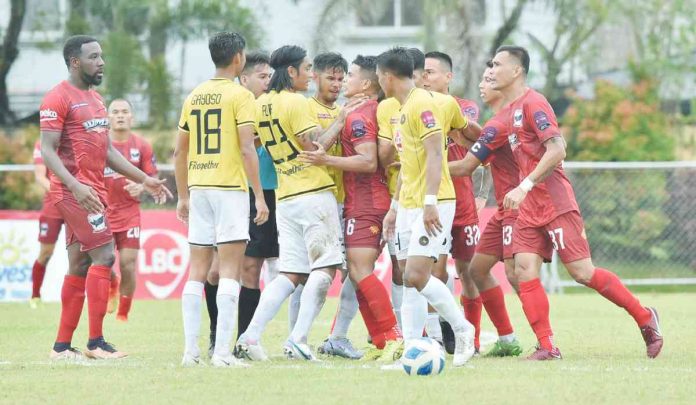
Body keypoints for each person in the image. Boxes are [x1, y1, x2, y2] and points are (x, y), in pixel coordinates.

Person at [476, 45, 663, 360]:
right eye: (490, 65)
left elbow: (557, 149)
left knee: (582, 272)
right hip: (529, 208)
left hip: (555, 202)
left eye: (497, 64)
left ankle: (645, 317)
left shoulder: (535, 103)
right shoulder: (507, 114)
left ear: (517, 70)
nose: (491, 70)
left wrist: (523, 185)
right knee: (523, 270)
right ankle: (547, 346)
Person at [41, 35, 170, 360]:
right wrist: (75, 186)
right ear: (75, 62)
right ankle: (96, 343)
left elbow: (107, 150)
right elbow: (47, 150)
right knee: (105, 257)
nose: (101, 62)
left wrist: (145, 179)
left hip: (90, 191)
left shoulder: (97, 100)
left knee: (80, 263)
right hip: (74, 193)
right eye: (94, 57)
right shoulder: (57, 98)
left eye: (101, 56)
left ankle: (61, 347)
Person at [235, 45, 363, 361]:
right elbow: (315, 146)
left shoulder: (261, 103)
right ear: (290, 72)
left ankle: (250, 335)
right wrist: (343, 117)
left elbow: (255, 143)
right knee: (327, 267)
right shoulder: (297, 102)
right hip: (313, 194)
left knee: (290, 273)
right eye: (306, 69)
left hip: (286, 195)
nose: (309, 75)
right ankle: (299, 337)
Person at [175, 31, 269, 367]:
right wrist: (259, 196)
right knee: (230, 270)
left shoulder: (195, 95)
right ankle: (223, 353)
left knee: (196, 271)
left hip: (199, 187)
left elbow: (179, 151)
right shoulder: (240, 96)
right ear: (238, 58)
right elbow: (247, 148)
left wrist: (183, 196)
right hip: (229, 189)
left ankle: (190, 352)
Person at [377, 47, 475, 367]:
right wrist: (394, 207)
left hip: (433, 203)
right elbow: (409, 165)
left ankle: (462, 329)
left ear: (388, 77)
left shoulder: (422, 105)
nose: (378, 81)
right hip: (408, 204)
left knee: (419, 274)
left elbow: (436, 155)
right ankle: (410, 349)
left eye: (379, 76)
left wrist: (430, 202)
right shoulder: (401, 108)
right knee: (408, 277)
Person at [300, 55, 402, 361]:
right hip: (368, 201)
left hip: (367, 203)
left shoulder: (360, 115)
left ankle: (393, 336)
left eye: (351, 76)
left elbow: (368, 161)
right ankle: (383, 341)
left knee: (360, 270)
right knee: (359, 273)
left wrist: (326, 160)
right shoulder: (364, 111)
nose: (345, 81)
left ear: (366, 84)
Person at [203, 51, 279, 359]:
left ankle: (244, 340)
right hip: (231, 191)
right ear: (243, 77)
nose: (268, 82)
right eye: (262, 77)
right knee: (216, 271)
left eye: (270, 77)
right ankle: (215, 332)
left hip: (268, 190)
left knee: (252, 267)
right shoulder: (229, 103)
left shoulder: (271, 106)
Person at [449, 65, 523, 357]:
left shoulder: (469, 112)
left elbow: (473, 161)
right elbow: (482, 150)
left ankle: (544, 342)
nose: (482, 84)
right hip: (504, 205)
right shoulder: (500, 120)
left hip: (518, 203)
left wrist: (421, 169)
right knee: (474, 270)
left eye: (489, 79)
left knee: (519, 273)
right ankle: (501, 339)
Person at [423, 50, 493, 354]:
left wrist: (481, 195)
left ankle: (473, 339)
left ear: (448, 77)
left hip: (463, 202)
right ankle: (438, 336)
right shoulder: (415, 108)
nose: (425, 77)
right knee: (434, 271)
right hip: (433, 201)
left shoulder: (464, 107)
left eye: (431, 72)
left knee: (468, 271)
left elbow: (479, 146)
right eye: (422, 72)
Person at [103, 98, 158, 322]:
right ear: (108, 118)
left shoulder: (142, 146)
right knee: (103, 262)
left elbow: (152, 178)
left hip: (129, 214)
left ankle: (123, 313)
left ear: (132, 117)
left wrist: (142, 187)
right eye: (115, 112)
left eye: (124, 111)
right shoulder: (100, 144)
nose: (120, 115)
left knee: (127, 262)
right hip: (102, 213)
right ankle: (112, 283)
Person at [30, 139, 64, 308]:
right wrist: (63, 194)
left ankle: (102, 292)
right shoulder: (43, 142)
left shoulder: (76, 136)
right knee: (46, 252)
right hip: (53, 206)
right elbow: (40, 177)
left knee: (88, 252)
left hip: (79, 203)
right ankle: (35, 296)